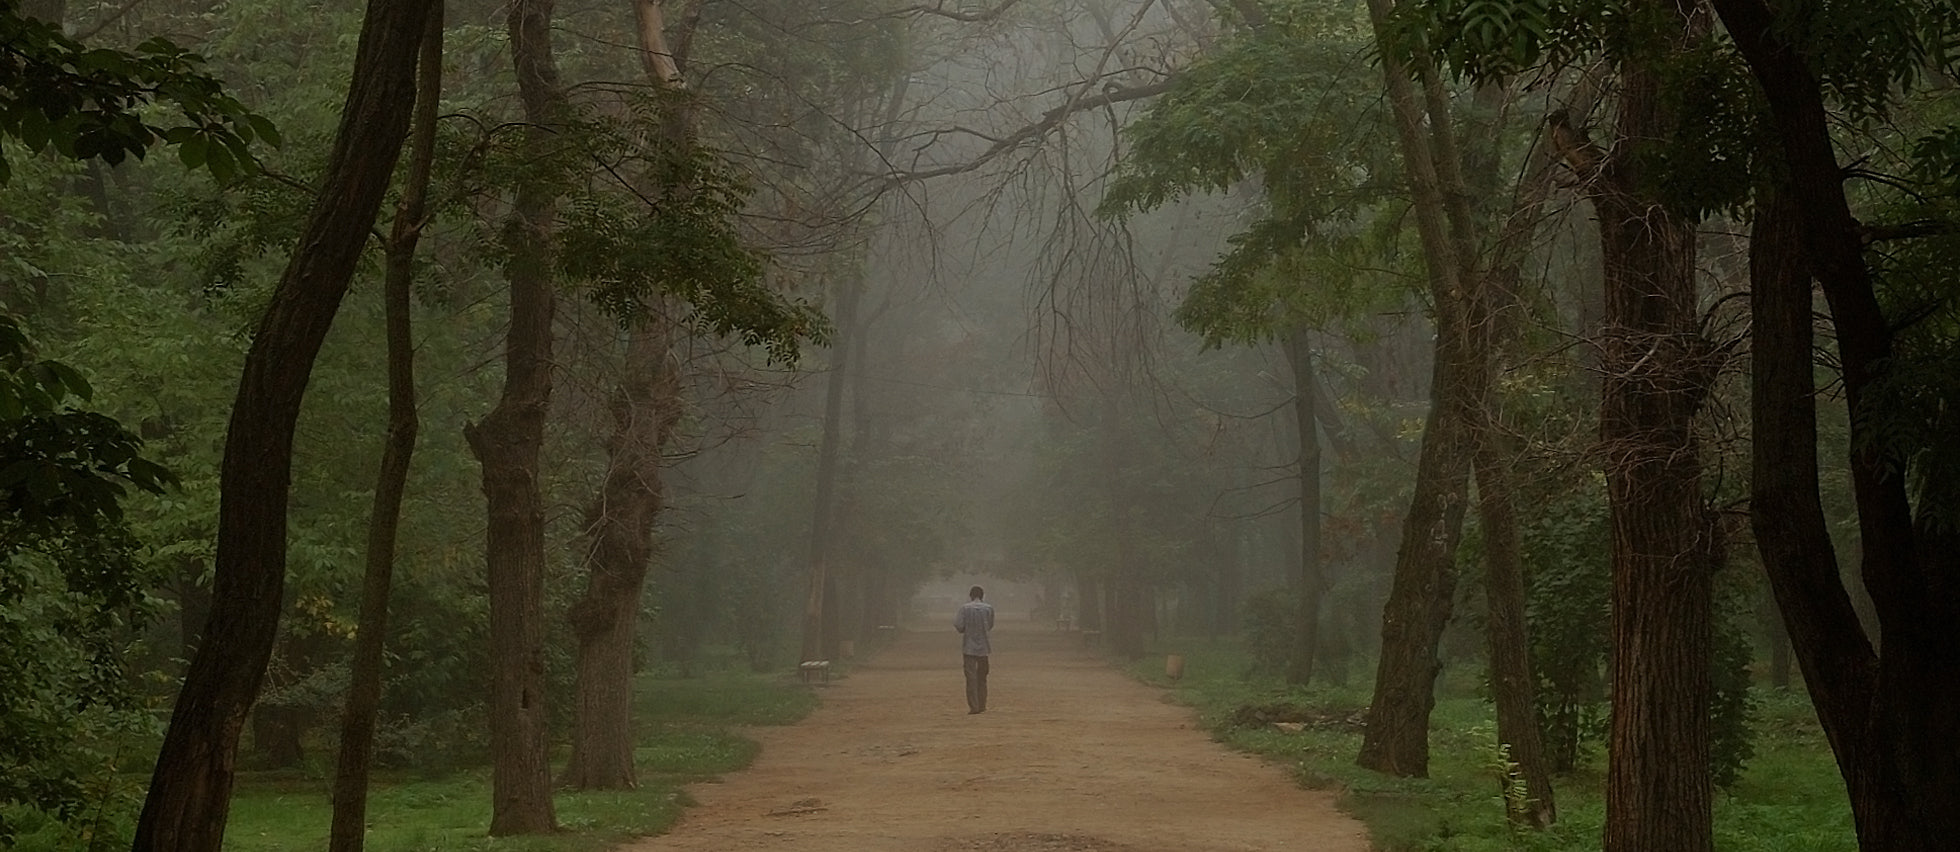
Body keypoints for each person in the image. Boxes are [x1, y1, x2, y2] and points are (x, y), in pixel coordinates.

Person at [953, 585, 994, 714]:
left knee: (971, 678)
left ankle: (974, 706)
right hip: (984, 647)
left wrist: (966, 629)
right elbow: (990, 625)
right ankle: (982, 704)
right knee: (982, 676)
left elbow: (959, 625)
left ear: (970, 595)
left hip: (968, 647)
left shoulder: (964, 608)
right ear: (982, 596)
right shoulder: (989, 608)